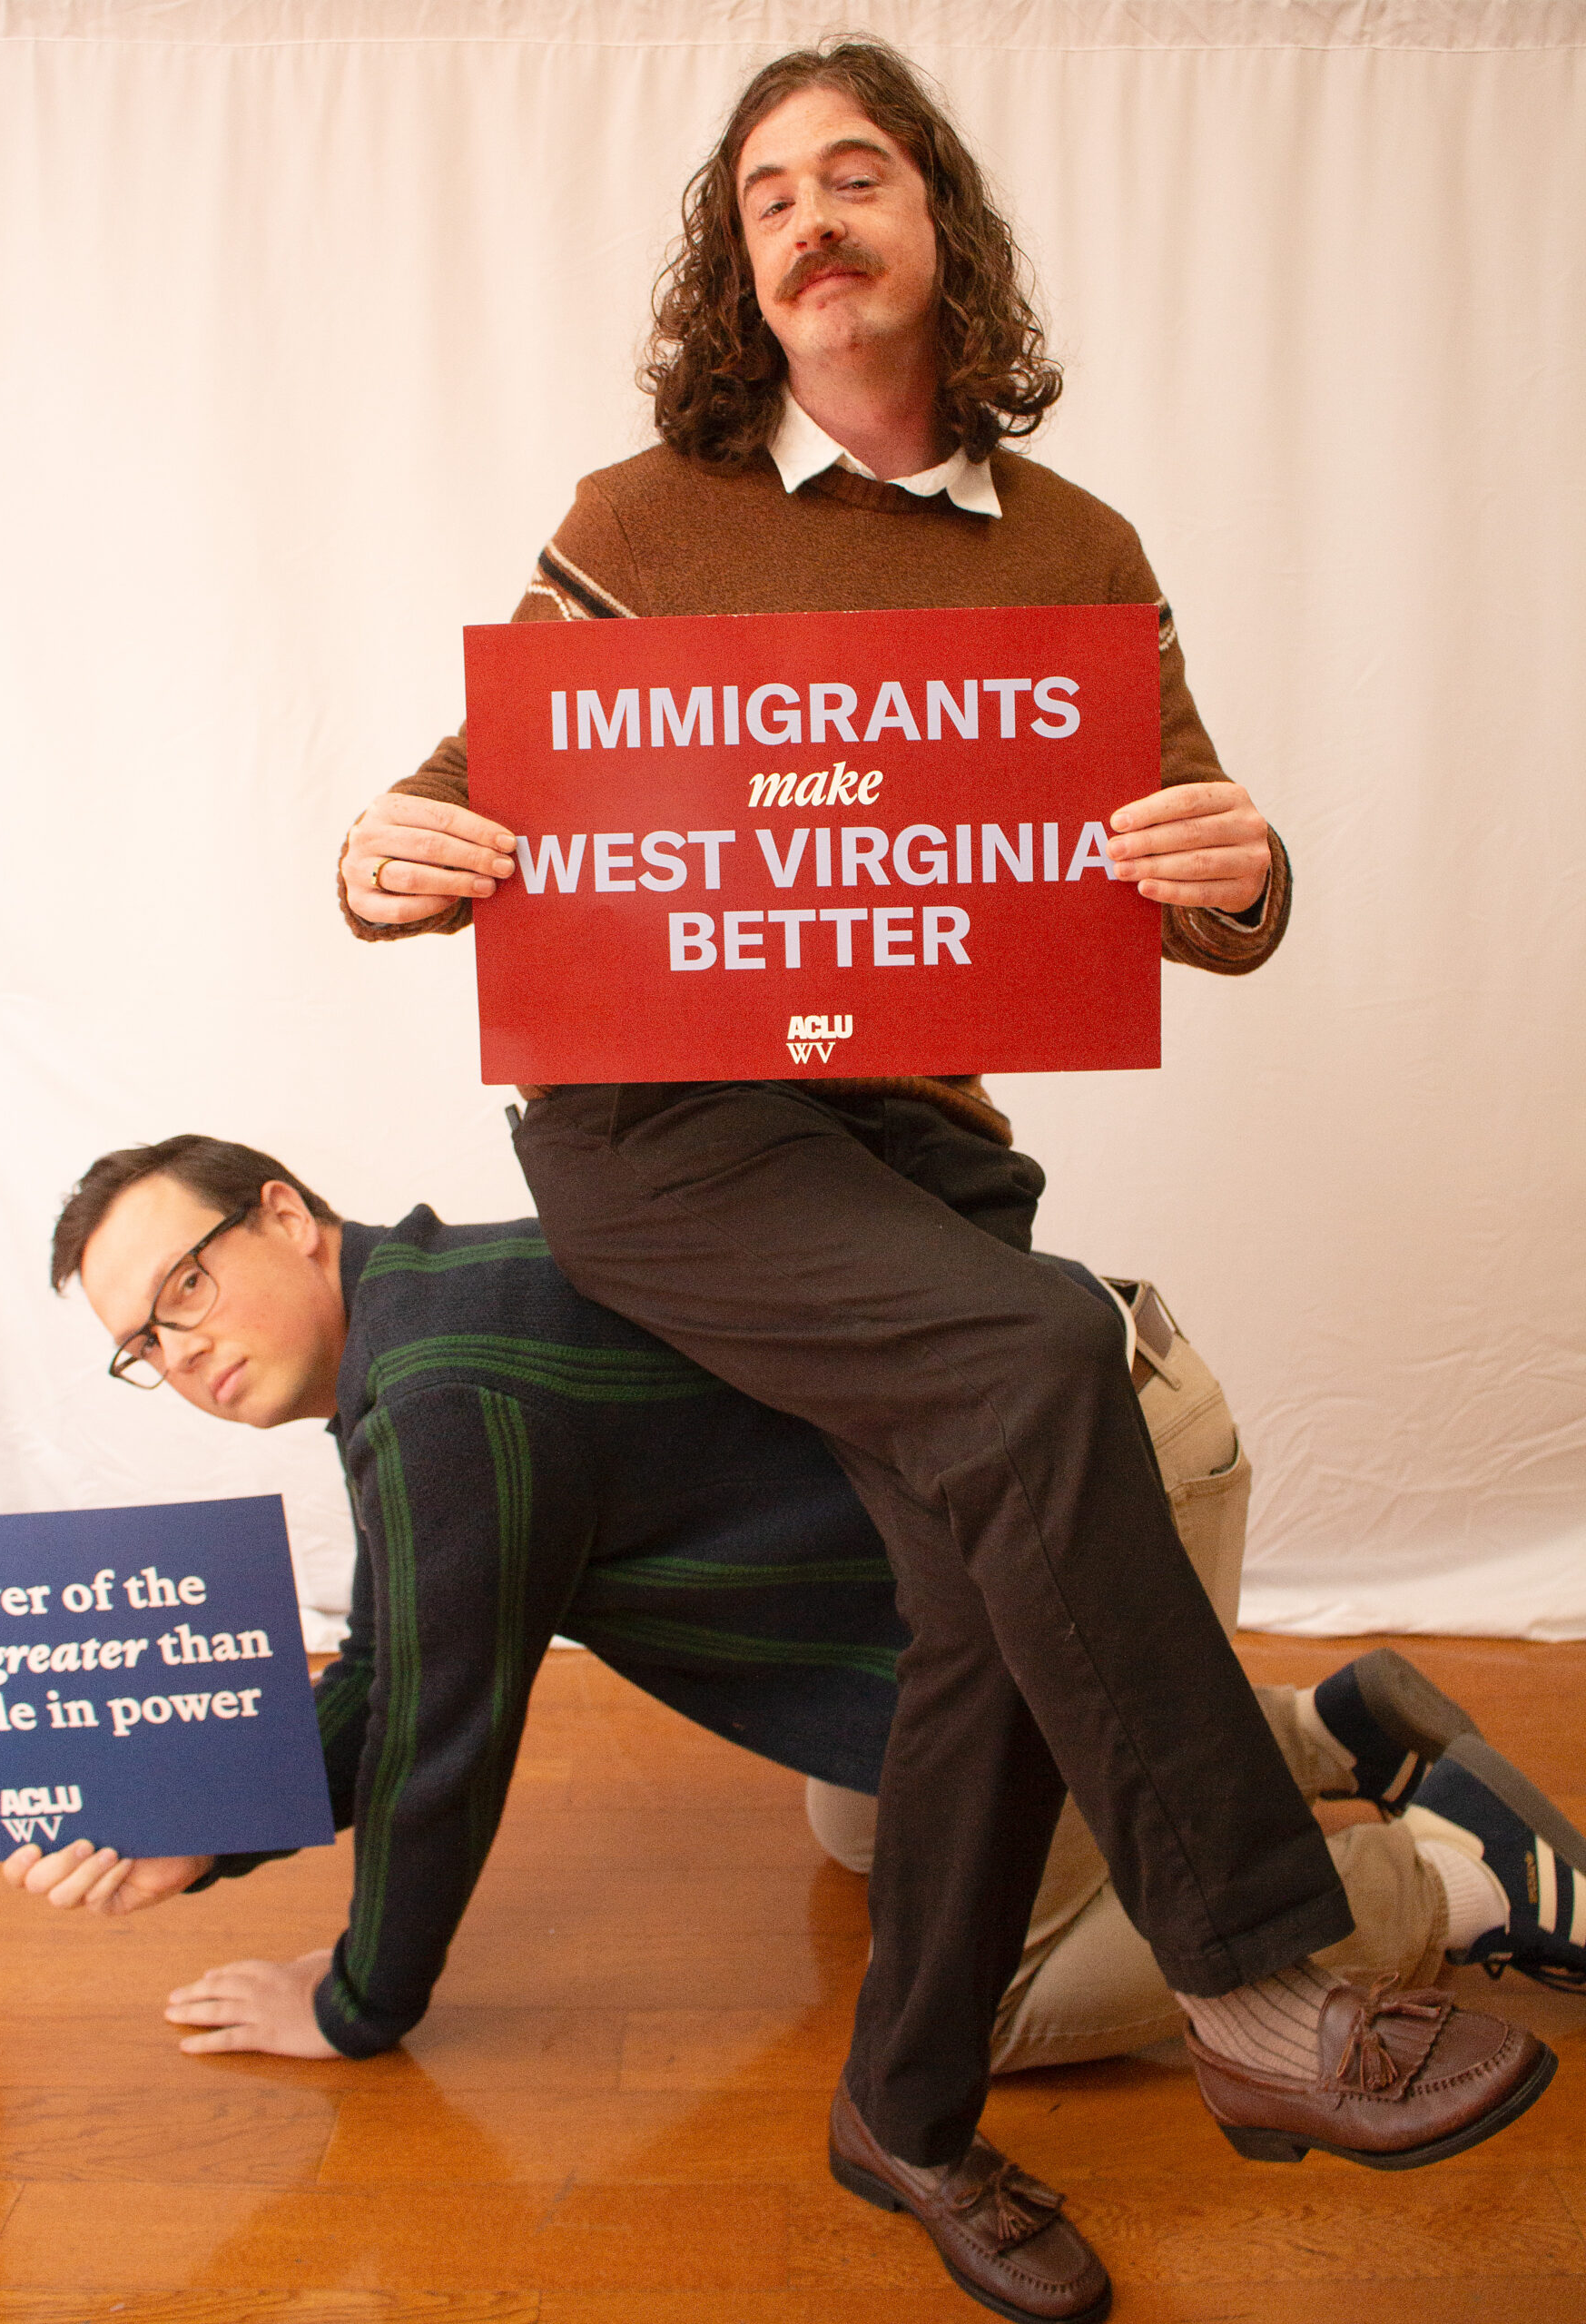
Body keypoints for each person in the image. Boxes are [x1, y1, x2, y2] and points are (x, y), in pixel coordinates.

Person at [334, 41, 1559, 2320]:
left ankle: (904, 2114)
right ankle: (1266, 1986)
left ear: (936, 231)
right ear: (743, 261)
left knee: (979, 1589)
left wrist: (1252, 865)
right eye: (768, 189)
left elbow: (1199, 874)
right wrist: (376, 854)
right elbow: (459, 791)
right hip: (663, 1126)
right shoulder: (644, 511)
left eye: (856, 173)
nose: (809, 214)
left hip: (913, 1147)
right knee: (1043, 1348)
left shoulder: (1079, 552)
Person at [16, 1137, 1585, 2087]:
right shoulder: (425, 1314)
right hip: (1031, 1468)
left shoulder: (435, 1398)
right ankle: (1325, 1730)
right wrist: (206, 1822)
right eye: (142, 1345)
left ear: (287, 1214)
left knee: (997, 2009)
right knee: (860, 1841)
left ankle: (1447, 1878)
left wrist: (357, 2003)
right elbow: (404, 1667)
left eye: (190, 1284)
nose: (182, 1350)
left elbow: (436, 1742)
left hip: (1078, 1492)